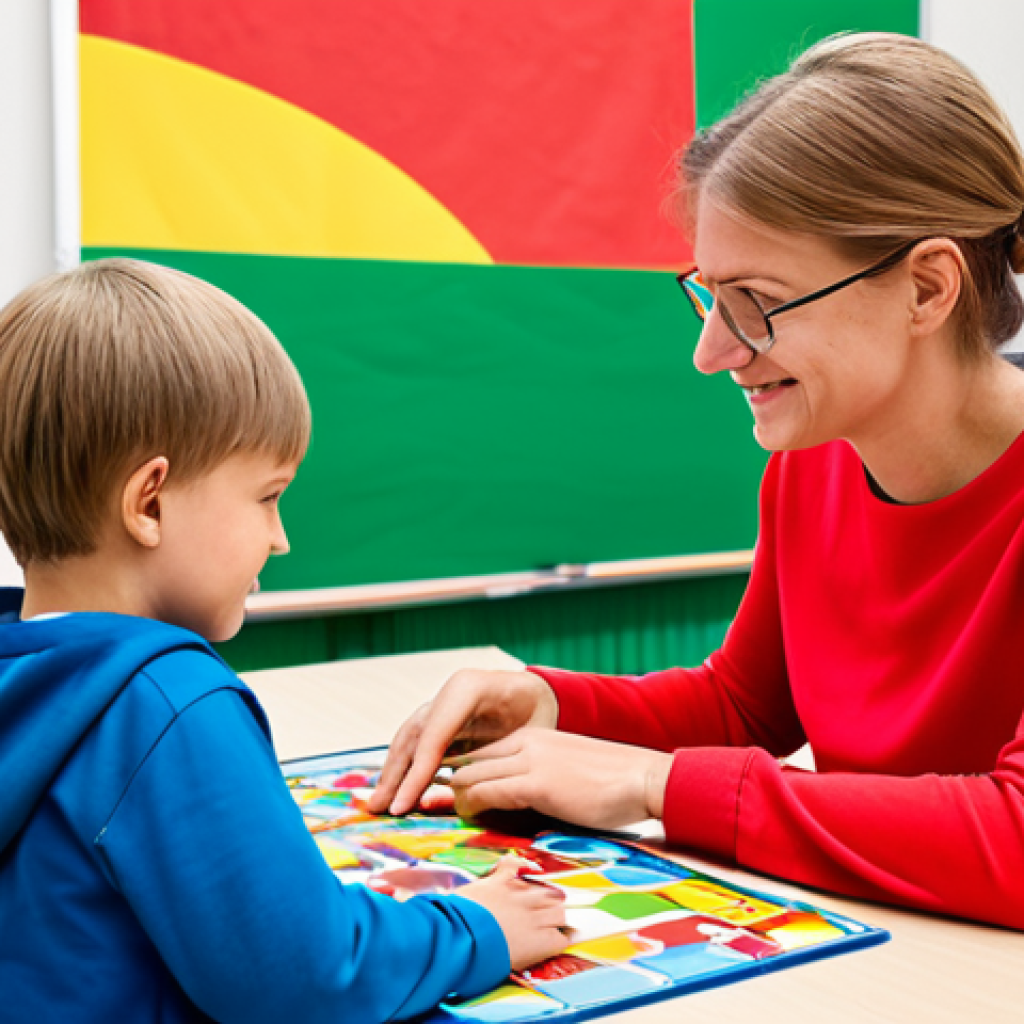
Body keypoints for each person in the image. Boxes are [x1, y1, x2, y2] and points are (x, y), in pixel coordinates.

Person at [371, 32, 1024, 932]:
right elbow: (748, 706)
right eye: (710, 295)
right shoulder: (813, 463)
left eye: (756, 303)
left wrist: (652, 783)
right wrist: (556, 703)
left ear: (926, 288)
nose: (711, 351)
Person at [0, 259, 567, 1024]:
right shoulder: (169, 702)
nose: (281, 539)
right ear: (150, 502)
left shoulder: (26, 666)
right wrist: (479, 927)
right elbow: (306, 977)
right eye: (268, 497)